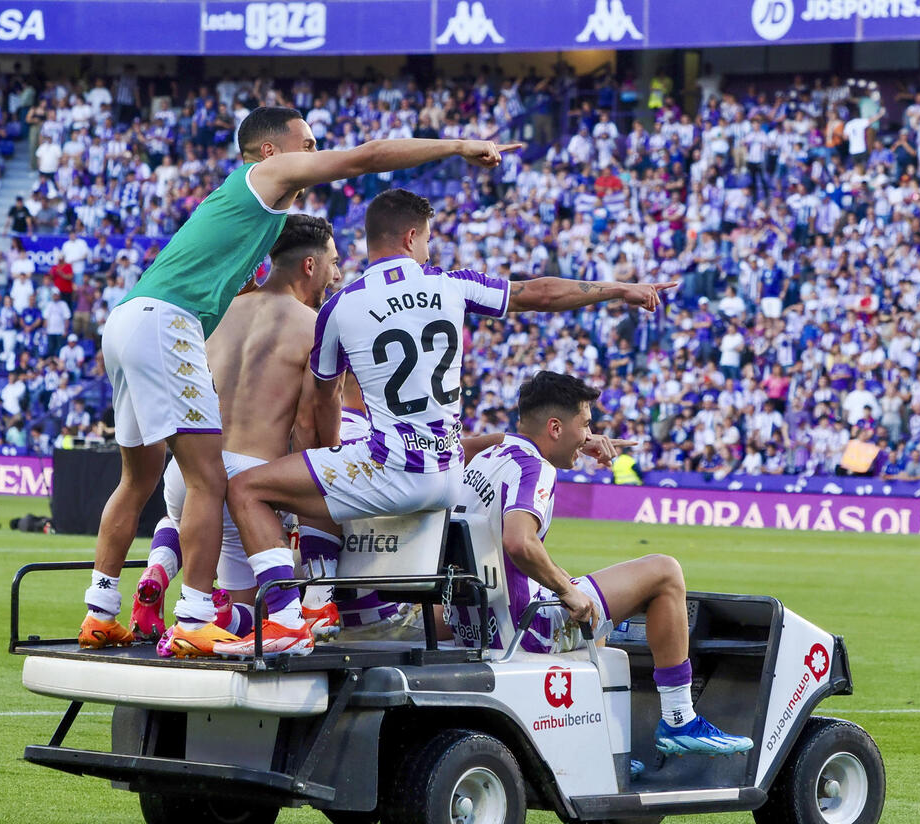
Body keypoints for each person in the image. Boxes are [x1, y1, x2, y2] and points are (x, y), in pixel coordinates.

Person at [78, 105, 520, 653]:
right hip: (167, 324)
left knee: (139, 479)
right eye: (307, 145)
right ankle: (193, 618)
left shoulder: (255, 224)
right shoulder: (265, 179)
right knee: (211, 481)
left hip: (129, 319)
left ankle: (100, 609)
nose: (314, 157)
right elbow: (367, 157)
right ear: (270, 152)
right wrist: (456, 145)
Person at [214, 189, 676, 658]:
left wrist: (321, 459)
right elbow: (537, 293)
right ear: (412, 237)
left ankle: (292, 617)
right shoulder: (452, 285)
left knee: (247, 488)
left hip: (390, 469)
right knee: (320, 475)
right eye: (428, 239)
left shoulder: (340, 307)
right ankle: (321, 609)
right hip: (446, 475)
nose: (429, 248)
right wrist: (620, 290)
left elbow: (318, 406)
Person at [447, 371, 753, 755]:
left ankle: (603, 750)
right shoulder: (534, 468)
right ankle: (679, 719)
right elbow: (519, 541)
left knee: (593, 608)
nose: (590, 435)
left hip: (476, 627)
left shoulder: (486, 457)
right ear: (555, 427)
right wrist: (566, 590)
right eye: (586, 424)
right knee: (664, 572)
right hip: (525, 630)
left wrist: (577, 443)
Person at [129, 215, 343, 654]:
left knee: (178, 514)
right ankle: (311, 606)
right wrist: (318, 473)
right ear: (309, 266)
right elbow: (306, 425)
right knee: (250, 612)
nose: (335, 273)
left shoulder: (223, 309)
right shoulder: (315, 325)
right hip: (246, 480)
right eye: (333, 262)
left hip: (189, 471)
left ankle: (159, 570)